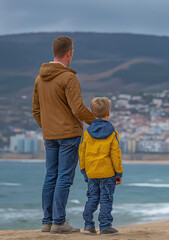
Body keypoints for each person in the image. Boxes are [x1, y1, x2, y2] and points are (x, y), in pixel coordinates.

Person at [32, 36, 95, 234]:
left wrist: (49, 127)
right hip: (69, 134)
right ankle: (59, 222)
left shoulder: (39, 78)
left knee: (50, 176)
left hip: (50, 135)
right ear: (69, 53)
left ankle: (47, 221)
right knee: (64, 178)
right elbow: (77, 109)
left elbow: (36, 110)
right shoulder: (69, 77)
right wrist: (97, 121)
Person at [79, 97, 123, 236]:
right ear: (108, 113)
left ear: (91, 113)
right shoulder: (112, 133)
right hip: (107, 173)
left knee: (92, 198)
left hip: (91, 172)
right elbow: (115, 154)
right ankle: (105, 227)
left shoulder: (87, 133)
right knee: (106, 200)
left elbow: (82, 153)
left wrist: (83, 170)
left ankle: (88, 225)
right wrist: (119, 173)